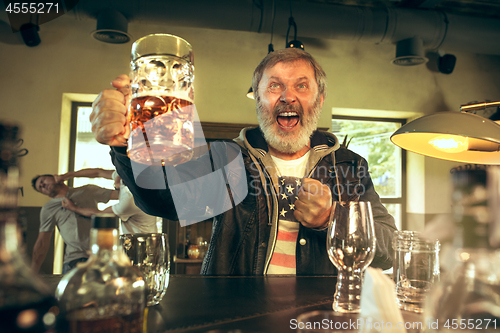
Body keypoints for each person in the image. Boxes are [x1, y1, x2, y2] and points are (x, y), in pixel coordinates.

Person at [90, 48, 398, 275]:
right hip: (236, 312)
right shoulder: (229, 159)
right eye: (274, 85)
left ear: (318, 100)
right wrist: (126, 148)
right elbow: (163, 201)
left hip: (320, 314)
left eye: (301, 86)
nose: (287, 97)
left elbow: (389, 251)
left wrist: (333, 218)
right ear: (259, 100)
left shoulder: (348, 166)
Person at [31, 174, 118, 273]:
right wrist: (33, 272)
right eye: (40, 188)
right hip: (75, 260)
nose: (43, 185)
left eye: (42, 181)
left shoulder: (87, 190)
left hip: (102, 257)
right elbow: (42, 242)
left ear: (54, 177)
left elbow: (121, 196)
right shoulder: (48, 209)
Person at [55, 168, 159, 234]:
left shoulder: (131, 200)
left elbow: (100, 214)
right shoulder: (125, 176)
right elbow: (98, 172)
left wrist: (74, 208)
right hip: (131, 241)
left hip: (144, 242)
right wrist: (67, 176)